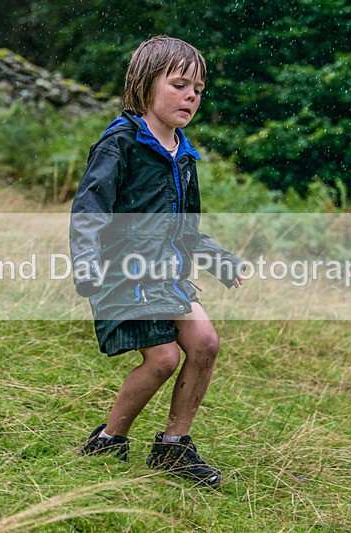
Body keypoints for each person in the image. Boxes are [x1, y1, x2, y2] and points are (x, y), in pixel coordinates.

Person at [69, 35, 243, 487]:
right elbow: (90, 210)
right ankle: (109, 440)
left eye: (198, 90)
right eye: (180, 84)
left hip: (167, 276)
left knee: (205, 343)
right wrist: (85, 262)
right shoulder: (120, 144)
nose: (191, 96)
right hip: (123, 274)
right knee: (163, 358)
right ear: (147, 85)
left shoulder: (184, 155)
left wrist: (216, 259)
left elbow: (186, 228)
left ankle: (172, 448)